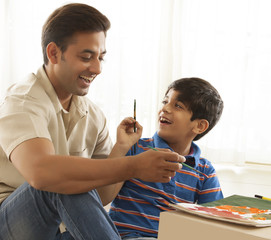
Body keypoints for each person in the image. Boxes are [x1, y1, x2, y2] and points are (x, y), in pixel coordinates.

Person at [0, 3, 185, 240]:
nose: (97, 68)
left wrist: (121, 148)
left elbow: (102, 195)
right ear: (54, 53)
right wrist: (135, 166)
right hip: (10, 223)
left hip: (59, 228)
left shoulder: (93, 115)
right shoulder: (23, 101)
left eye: (101, 57)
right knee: (62, 182)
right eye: (87, 57)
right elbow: (41, 174)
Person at [109, 77, 224, 239]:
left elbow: (215, 221)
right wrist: (120, 147)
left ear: (199, 126)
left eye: (177, 105)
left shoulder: (205, 171)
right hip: (122, 235)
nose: (165, 109)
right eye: (165, 102)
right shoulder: (135, 147)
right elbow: (103, 195)